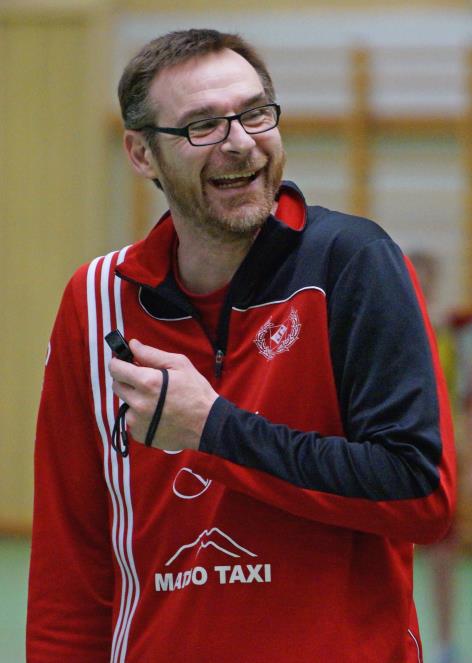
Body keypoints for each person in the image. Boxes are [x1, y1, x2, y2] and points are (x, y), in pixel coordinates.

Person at [26, 29, 456, 663]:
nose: (240, 142)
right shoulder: (94, 302)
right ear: (142, 154)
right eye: (201, 125)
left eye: (254, 113)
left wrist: (216, 430)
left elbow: (421, 494)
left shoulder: (352, 264)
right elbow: (72, 559)